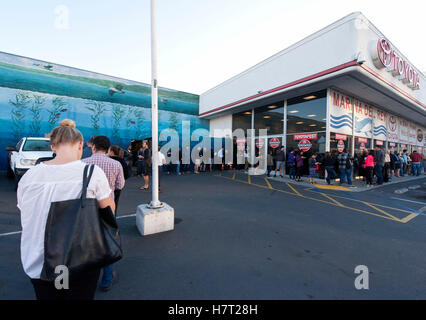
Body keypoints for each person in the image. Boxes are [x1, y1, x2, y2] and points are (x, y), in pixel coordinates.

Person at [17, 119, 114, 300]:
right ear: (80, 145)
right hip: (82, 260)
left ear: (53, 146)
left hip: (38, 262)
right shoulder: (92, 173)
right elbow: (108, 210)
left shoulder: (30, 176)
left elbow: (26, 211)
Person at [82, 136, 125, 292]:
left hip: (86, 209)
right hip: (108, 207)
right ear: (108, 149)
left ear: (93, 147)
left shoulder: (83, 163)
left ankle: (87, 277)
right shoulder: (115, 164)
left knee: (87, 242)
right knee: (108, 241)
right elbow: (120, 184)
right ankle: (107, 279)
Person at [108, 145, 129, 214]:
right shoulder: (121, 161)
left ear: (111, 152)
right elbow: (126, 174)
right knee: (114, 204)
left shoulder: (108, 159)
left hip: (106, 186)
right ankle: (113, 219)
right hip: (117, 188)